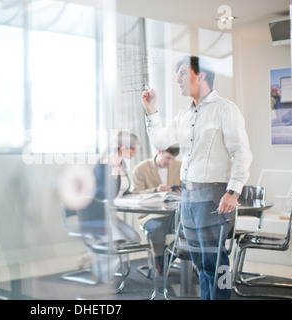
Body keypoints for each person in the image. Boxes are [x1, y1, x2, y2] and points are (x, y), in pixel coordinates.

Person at [141, 56, 252, 300]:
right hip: (189, 197)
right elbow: (161, 141)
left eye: (182, 73)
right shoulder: (184, 114)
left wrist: (233, 192)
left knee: (216, 259)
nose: (177, 79)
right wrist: (151, 110)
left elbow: (242, 153)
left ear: (200, 75)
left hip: (213, 196)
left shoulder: (225, 108)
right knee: (200, 261)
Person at [130, 147, 182, 275]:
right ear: (159, 152)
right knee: (157, 228)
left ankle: (168, 255)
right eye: (167, 158)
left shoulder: (180, 166)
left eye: (173, 159)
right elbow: (135, 193)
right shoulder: (141, 169)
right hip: (150, 215)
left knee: (190, 227)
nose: (170, 162)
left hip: (174, 213)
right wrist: (155, 190)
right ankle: (160, 257)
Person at [93, 130, 141, 244]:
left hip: (112, 214)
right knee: (121, 242)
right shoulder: (104, 164)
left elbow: (123, 190)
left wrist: (134, 195)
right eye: (133, 148)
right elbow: (105, 194)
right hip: (101, 215)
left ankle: (94, 256)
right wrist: (115, 169)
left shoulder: (122, 163)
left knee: (135, 239)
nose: (135, 152)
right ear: (122, 148)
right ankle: (96, 256)